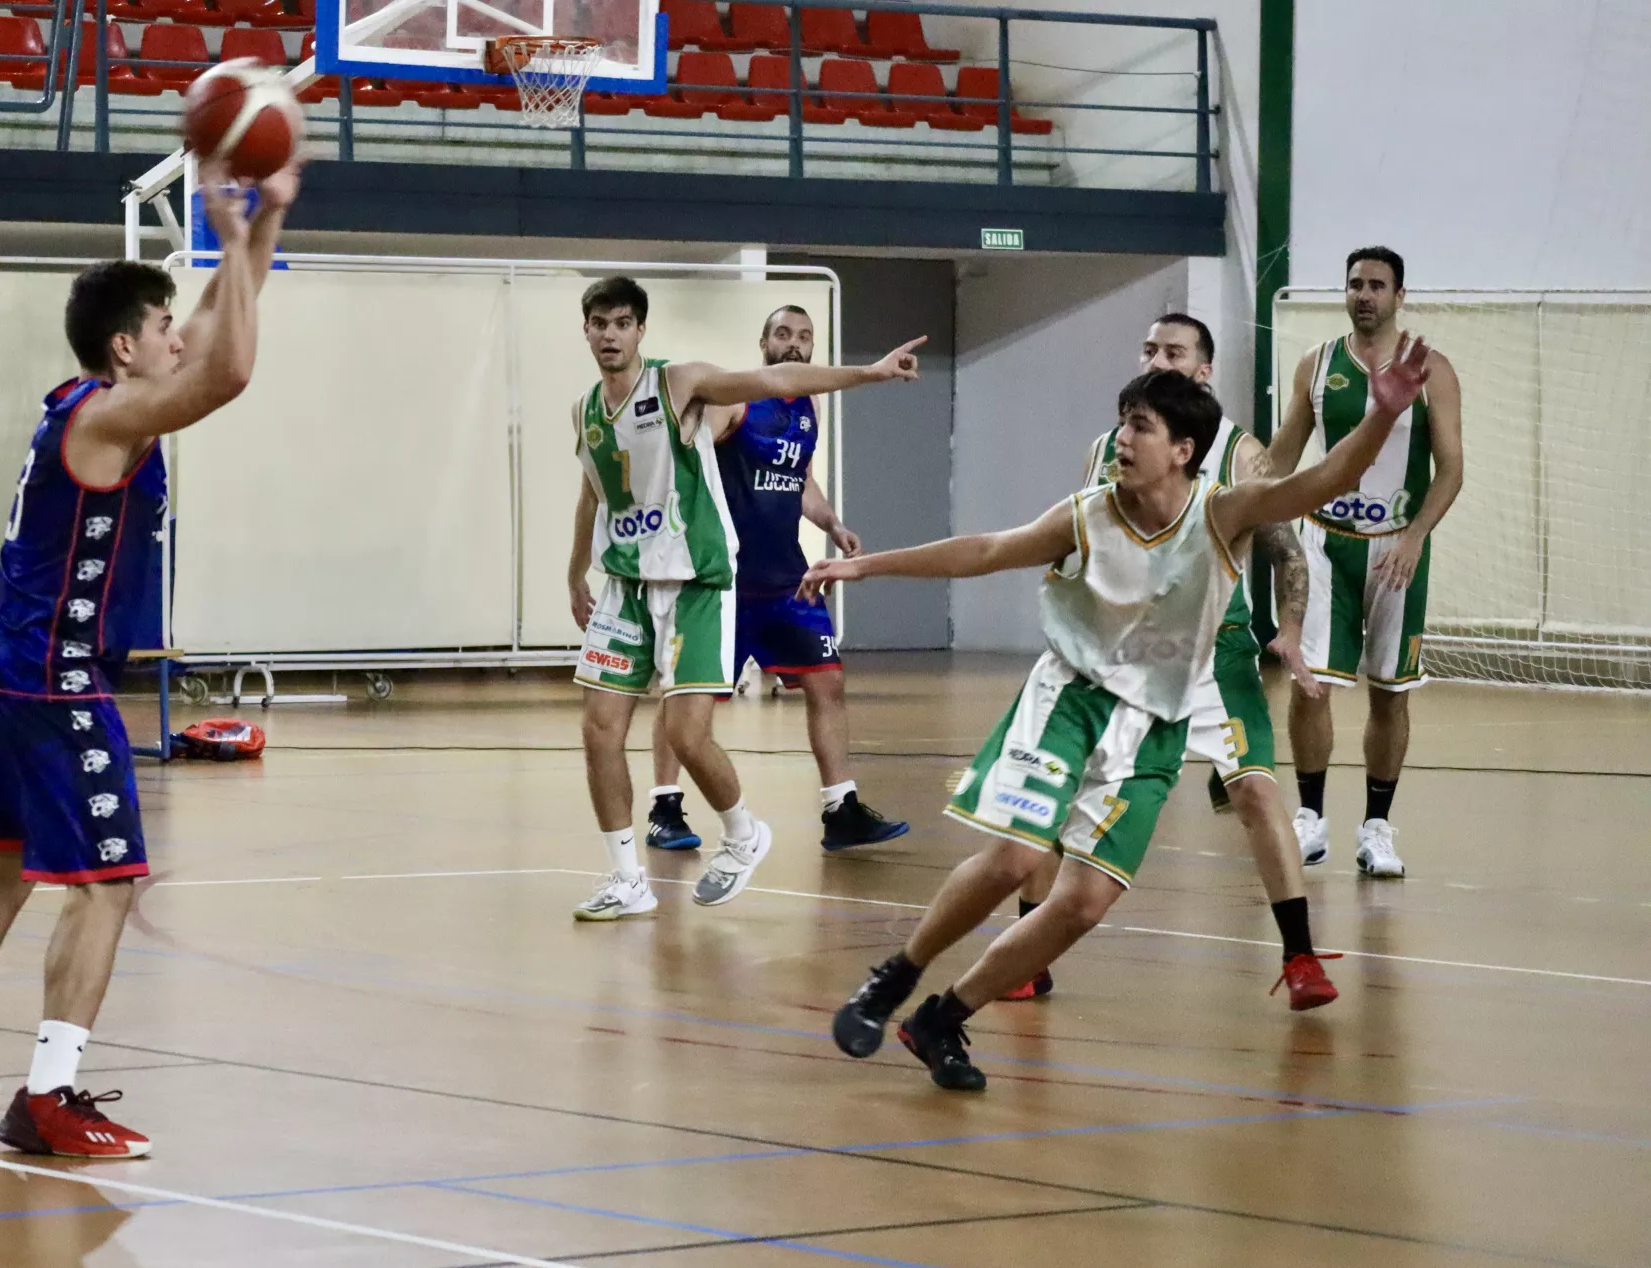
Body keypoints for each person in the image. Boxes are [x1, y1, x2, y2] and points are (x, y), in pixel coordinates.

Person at [815, 345, 1430, 1091]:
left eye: (1139, 426)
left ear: (1183, 450)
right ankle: (896, 975)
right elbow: (986, 551)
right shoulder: (1089, 513)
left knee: (1084, 904)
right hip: (1069, 701)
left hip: (1154, 725)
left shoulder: (1222, 511)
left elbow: (1325, 479)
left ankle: (944, 1016)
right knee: (1016, 859)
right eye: (1120, 424)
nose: (1121, 440)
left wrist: (1383, 414)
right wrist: (866, 565)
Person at [0, 164, 298, 1159]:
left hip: (8, 661)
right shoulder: (110, 416)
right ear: (126, 348)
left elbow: (209, 333)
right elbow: (230, 373)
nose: (180, 339)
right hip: (52, 678)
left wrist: (259, 227)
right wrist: (243, 241)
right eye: (161, 331)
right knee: (106, 882)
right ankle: (50, 1094)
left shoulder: (88, 396)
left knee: (14, 869)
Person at [999, 314, 1338, 1011]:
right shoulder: (1110, 447)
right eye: (1150, 347)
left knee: (1254, 790)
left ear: (1204, 370)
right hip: (1122, 651)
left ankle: (1301, 957)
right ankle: (1027, 955)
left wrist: (1293, 629)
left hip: (1216, 649)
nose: (1160, 357)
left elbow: (1287, 549)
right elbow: (1078, 539)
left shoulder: (1242, 454)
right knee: (1055, 792)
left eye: (1175, 351)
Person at [566, 276, 924, 921]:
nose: (611, 334)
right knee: (598, 731)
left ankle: (744, 832)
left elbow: (778, 384)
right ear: (587, 330)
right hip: (624, 583)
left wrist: (868, 374)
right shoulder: (586, 410)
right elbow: (593, 492)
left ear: (640, 330)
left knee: (689, 730)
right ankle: (627, 878)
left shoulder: (682, 384)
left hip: (698, 580)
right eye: (600, 323)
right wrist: (573, 574)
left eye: (623, 323)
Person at [642, 304, 909, 856]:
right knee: (684, 698)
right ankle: (664, 806)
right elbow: (686, 454)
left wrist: (832, 522)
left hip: (787, 579)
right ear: (762, 342)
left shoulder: (806, 408)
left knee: (827, 682)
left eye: (804, 337)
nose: (794, 343)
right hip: (722, 585)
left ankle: (842, 808)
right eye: (783, 334)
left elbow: (800, 478)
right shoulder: (737, 400)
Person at [1267, 247, 1464, 879]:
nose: (1365, 294)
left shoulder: (1433, 370)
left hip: (1397, 552)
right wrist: (1254, 514)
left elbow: (1452, 469)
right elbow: (1279, 461)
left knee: (1390, 691)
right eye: (1355, 284)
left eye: (1378, 285)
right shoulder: (1316, 366)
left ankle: (1377, 826)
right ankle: (1311, 819)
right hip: (1326, 541)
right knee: (1311, 683)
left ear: (1400, 295)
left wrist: (1416, 535)